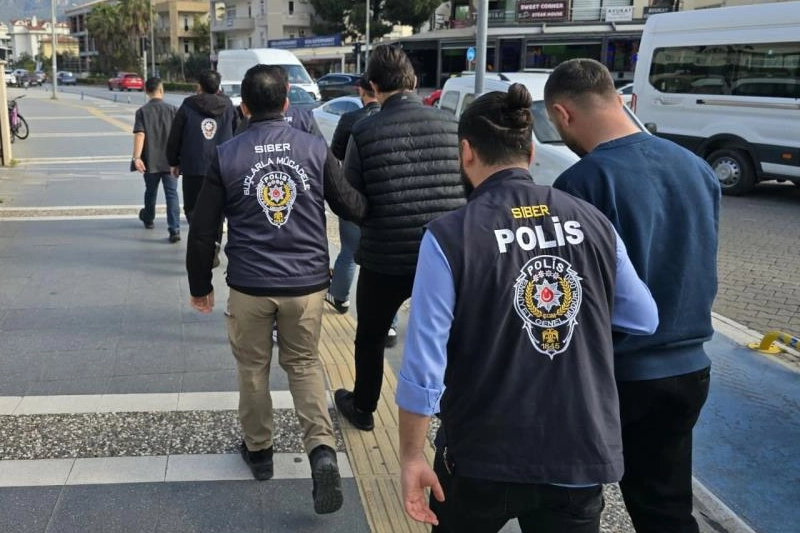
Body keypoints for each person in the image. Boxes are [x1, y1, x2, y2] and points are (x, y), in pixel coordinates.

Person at [397, 84, 659, 533]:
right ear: (531, 152)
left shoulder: (449, 236)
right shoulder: (592, 220)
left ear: (466, 153)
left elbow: (424, 367)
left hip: (481, 452)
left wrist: (411, 457)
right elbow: (643, 317)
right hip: (576, 452)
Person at [544, 58, 721, 533]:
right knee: (666, 508)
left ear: (562, 113)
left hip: (620, 376)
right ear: (618, 100)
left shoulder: (583, 182)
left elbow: (570, 298)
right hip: (691, 370)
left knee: (572, 503)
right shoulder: (696, 168)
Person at [186, 64, 367, 515]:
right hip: (306, 284)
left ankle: (260, 452)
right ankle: (321, 451)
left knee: (252, 367)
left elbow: (203, 229)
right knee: (303, 365)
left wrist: (200, 284)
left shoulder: (227, 154)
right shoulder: (313, 147)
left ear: (243, 108)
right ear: (287, 102)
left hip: (250, 284)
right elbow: (350, 204)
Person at [333, 45, 466, 432]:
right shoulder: (451, 123)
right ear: (414, 81)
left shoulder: (363, 131)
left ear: (373, 86)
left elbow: (353, 203)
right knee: (446, 335)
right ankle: (448, 409)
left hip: (384, 258)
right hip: (444, 255)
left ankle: (363, 407)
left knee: (371, 337)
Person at [325, 74, 400, 347]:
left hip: (353, 197)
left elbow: (335, 155)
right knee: (386, 263)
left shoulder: (350, 120)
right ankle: (390, 325)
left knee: (349, 251)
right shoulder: (394, 119)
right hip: (388, 200)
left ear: (362, 91)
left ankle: (340, 297)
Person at [167, 69, 237, 222]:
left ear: (200, 86)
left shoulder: (188, 105)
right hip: (221, 164)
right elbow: (236, 131)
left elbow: (176, 134)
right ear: (218, 86)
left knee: (192, 208)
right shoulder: (228, 105)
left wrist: (173, 161)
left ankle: (196, 233)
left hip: (193, 166)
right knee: (218, 208)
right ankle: (216, 235)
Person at [131, 77, 180, 242]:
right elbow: (180, 135)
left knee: (150, 191)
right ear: (161, 90)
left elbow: (140, 134)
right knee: (172, 194)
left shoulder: (142, 111)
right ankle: (174, 229)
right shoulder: (173, 110)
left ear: (146, 91)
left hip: (150, 160)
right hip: (170, 161)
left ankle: (149, 219)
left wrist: (137, 157)